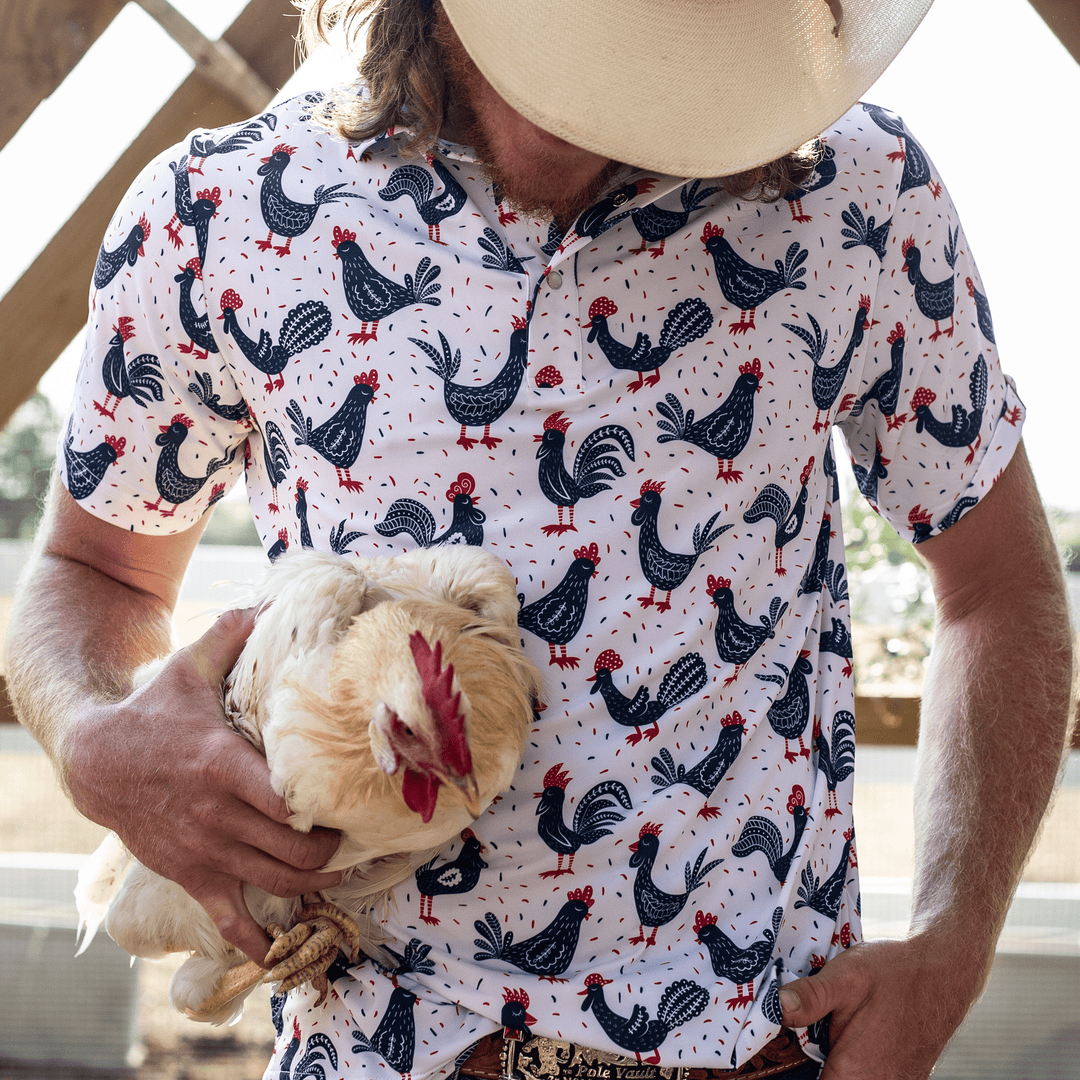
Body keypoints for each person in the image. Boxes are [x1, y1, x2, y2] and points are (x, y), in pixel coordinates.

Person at [6, 0, 1074, 1077]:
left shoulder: (858, 194)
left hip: (764, 1050)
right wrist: (96, 743)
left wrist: (951, 949)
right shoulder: (222, 212)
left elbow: (1003, 592)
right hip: (381, 1052)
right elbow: (91, 569)